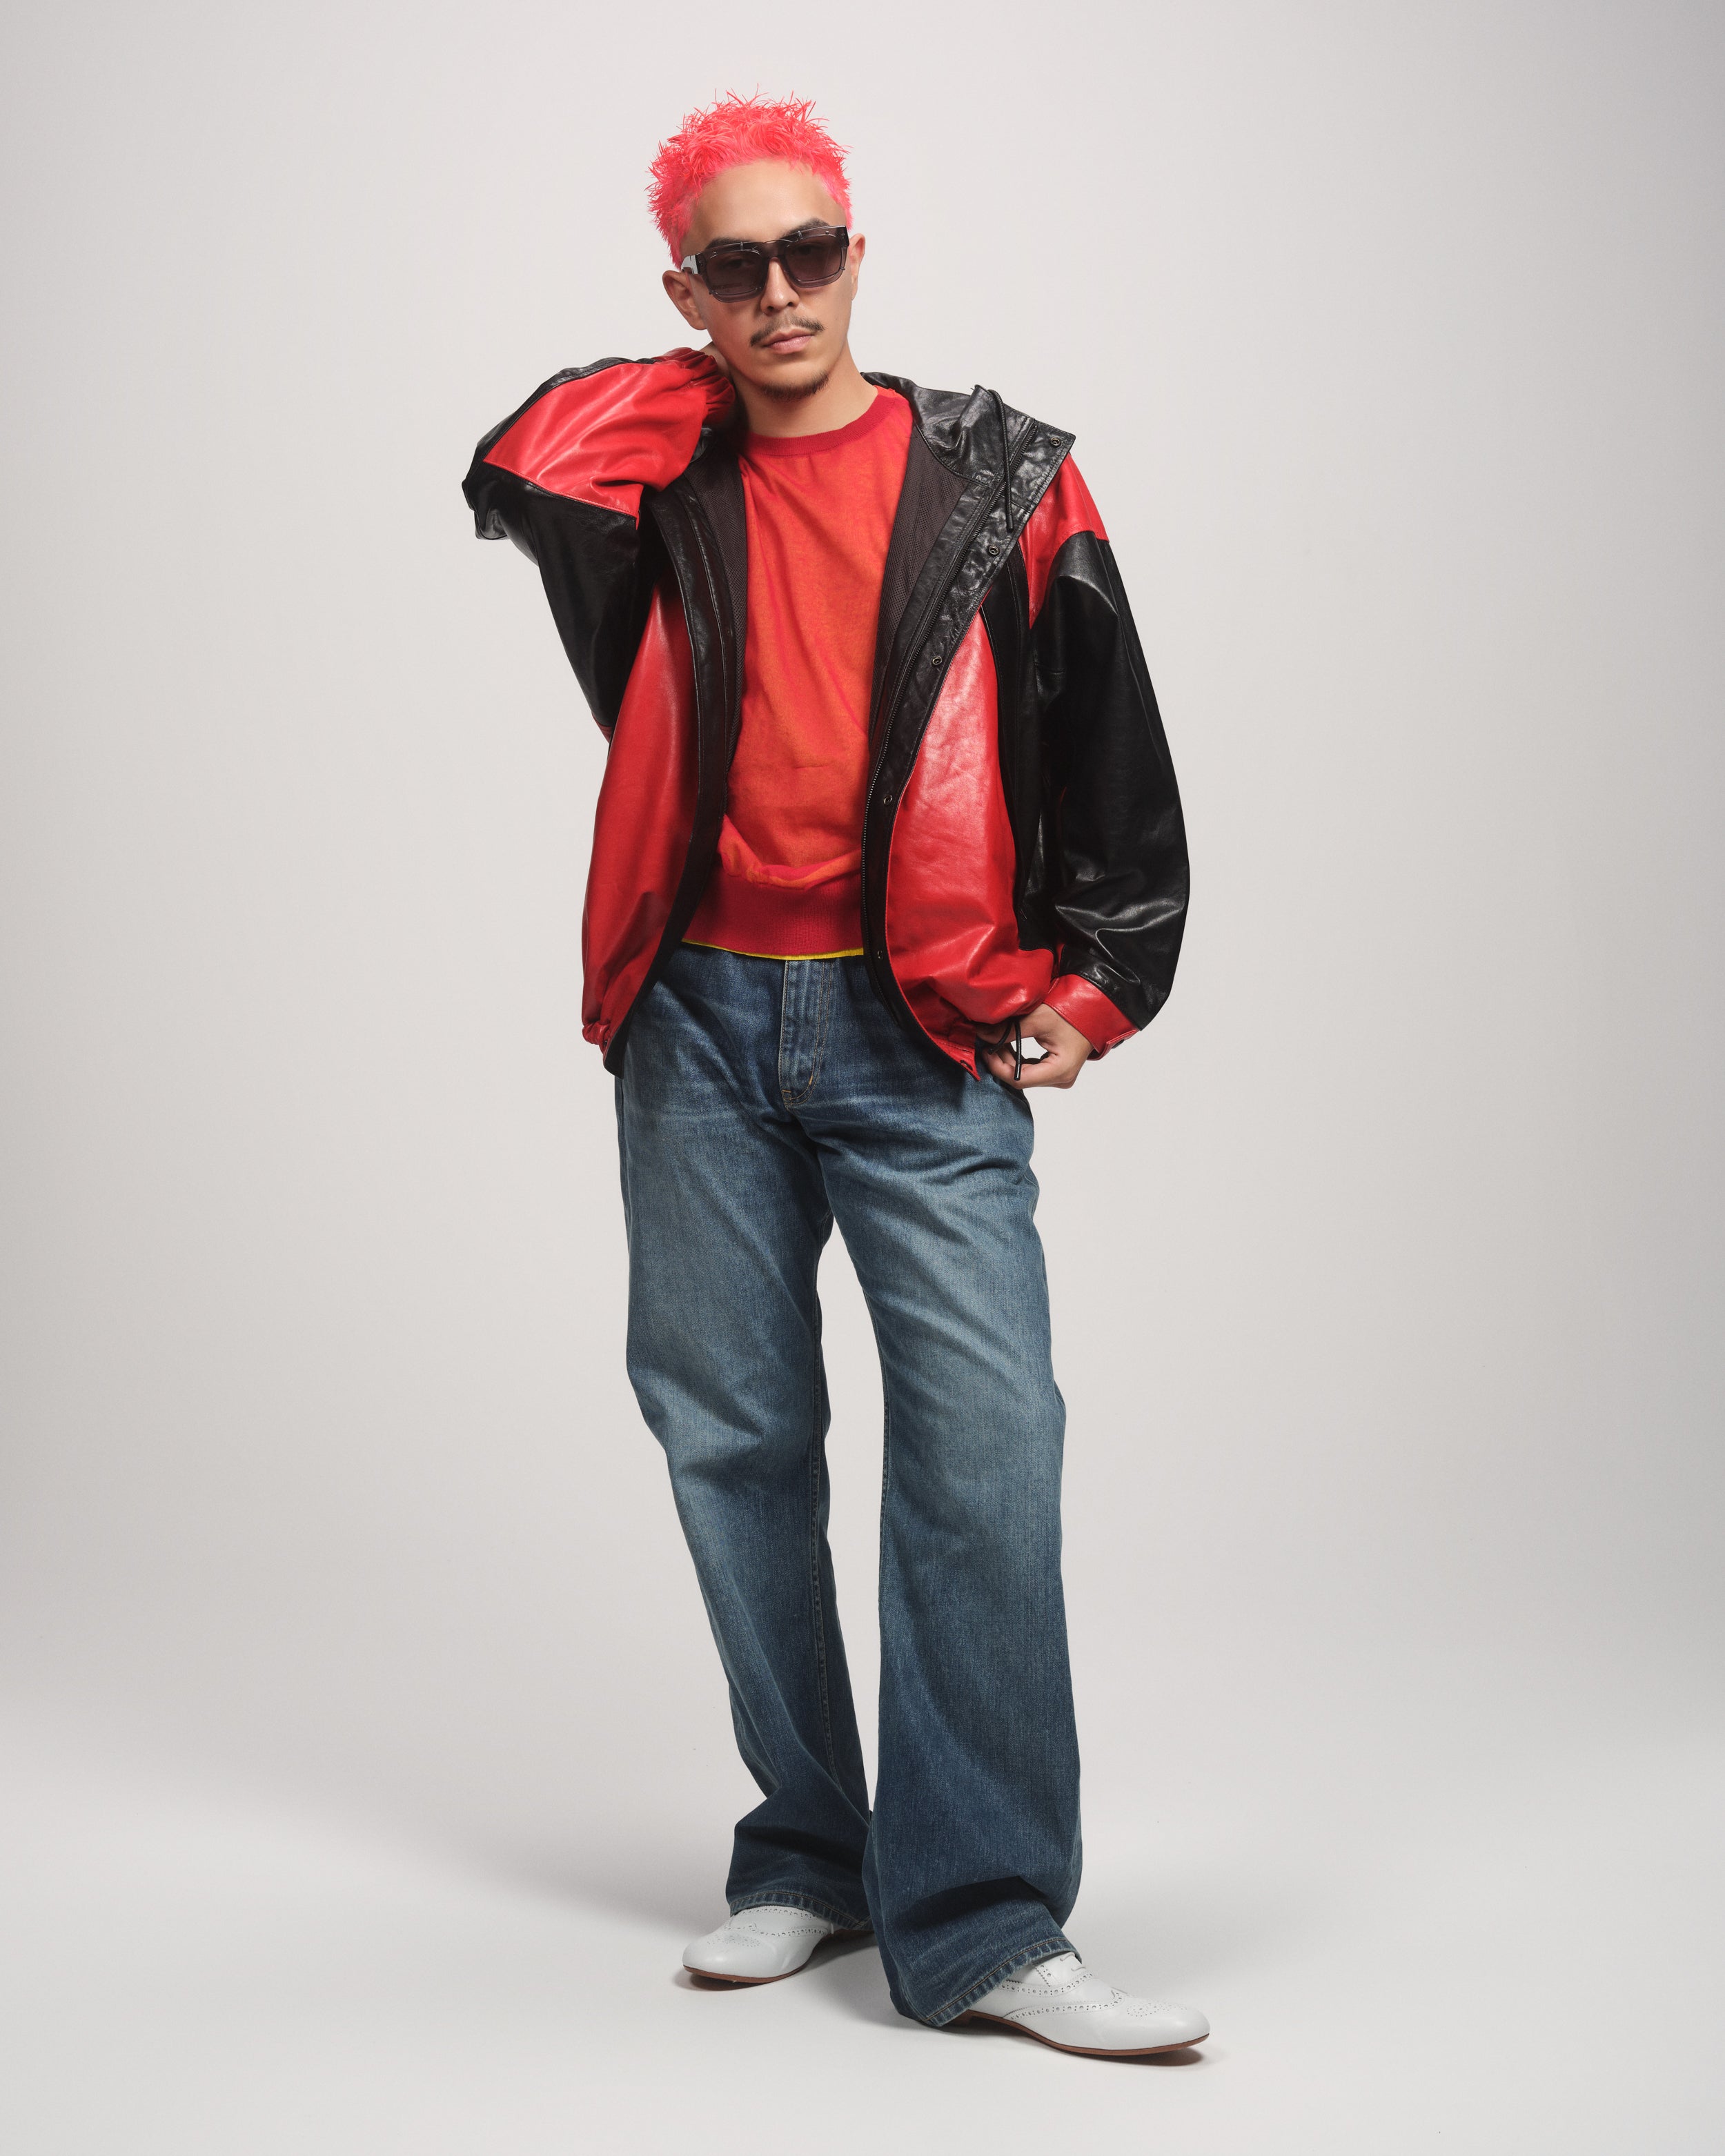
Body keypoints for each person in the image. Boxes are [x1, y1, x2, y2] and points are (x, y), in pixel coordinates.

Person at [461, 92, 1202, 2057]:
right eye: (736, 266)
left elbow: (1108, 728)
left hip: (920, 1020)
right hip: (696, 1017)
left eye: (810, 253)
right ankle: (810, 1848)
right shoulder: (664, 482)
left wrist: (1105, 980)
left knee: (986, 1448)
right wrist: (710, 373)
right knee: (732, 1437)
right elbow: (518, 457)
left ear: (860, 254)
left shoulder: (999, 476)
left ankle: (983, 1917)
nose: (780, 292)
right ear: (686, 293)